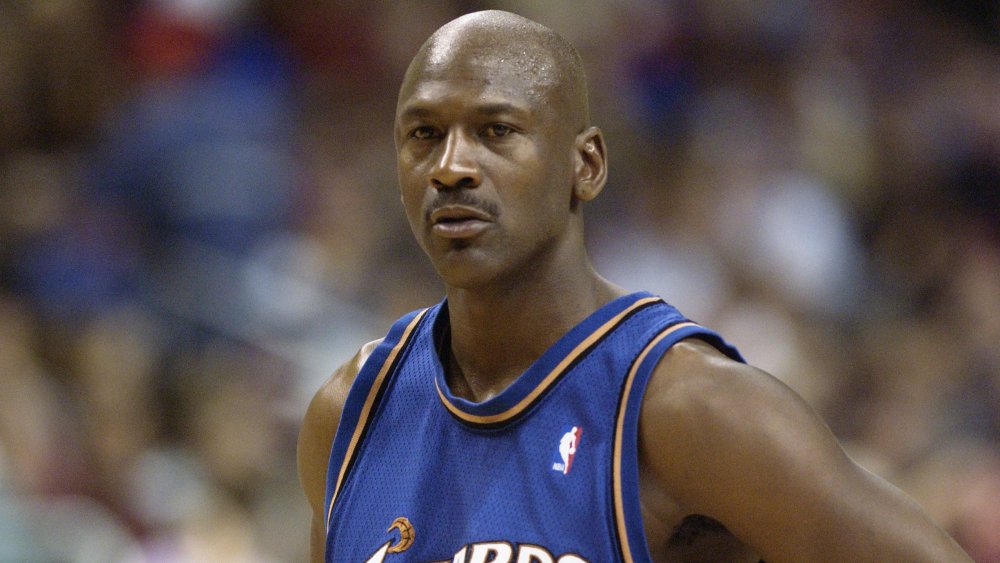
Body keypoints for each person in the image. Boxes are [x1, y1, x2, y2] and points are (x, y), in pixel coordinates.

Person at [297, 10, 972, 563]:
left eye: (495, 131)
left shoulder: (686, 407)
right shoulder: (350, 411)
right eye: (424, 134)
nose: (450, 167)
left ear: (584, 165)